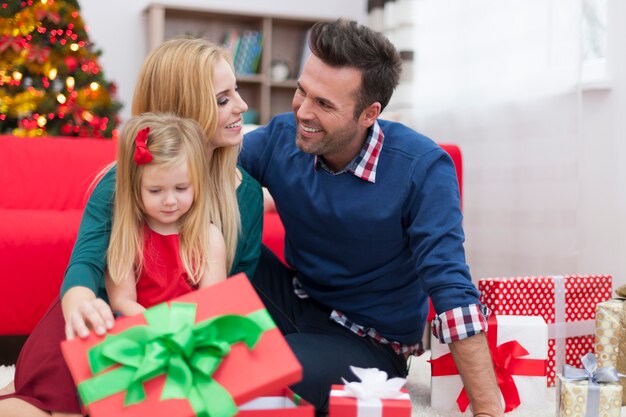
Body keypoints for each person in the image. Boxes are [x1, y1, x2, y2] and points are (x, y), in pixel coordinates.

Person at [239, 19, 504, 417]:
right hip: (296, 299)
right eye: (301, 91)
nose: (302, 111)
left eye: (324, 104)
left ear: (369, 113)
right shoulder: (282, 137)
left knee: (261, 372)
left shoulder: (423, 168)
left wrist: (487, 408)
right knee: (214, 230)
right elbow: (192, 171)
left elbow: (451, 289)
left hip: (369, 342)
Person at [0, 38, 262, 417]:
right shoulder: (119, 183)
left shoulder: (246, 196)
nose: (242, 105)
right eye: (223, 99)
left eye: (236, 91)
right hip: (103, 326)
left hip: (172, 347)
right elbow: (86, 262)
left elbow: (231, 298)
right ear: (186, 113)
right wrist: (78, 300)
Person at [105, 112, 227, 317]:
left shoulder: (208, 238)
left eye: (181, 188)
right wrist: (158, 328)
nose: (170, 201)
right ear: (135, 188)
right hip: (141, 333)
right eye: (155, 191)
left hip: (193, 335)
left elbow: (211, 304)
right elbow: (121, 301)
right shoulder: (128, 236)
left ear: (196, 185)